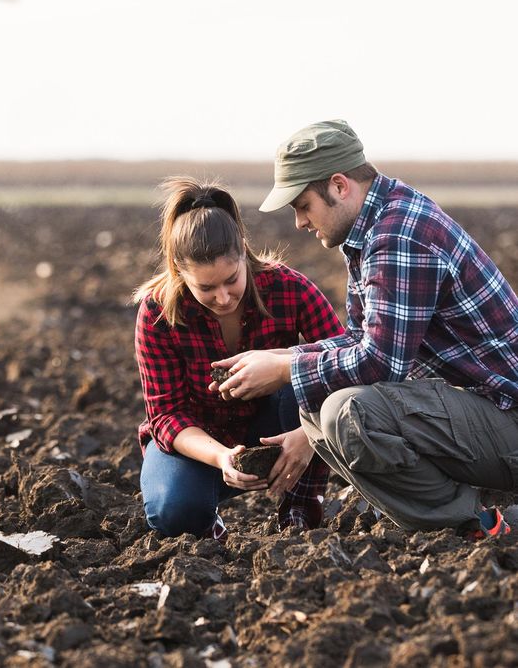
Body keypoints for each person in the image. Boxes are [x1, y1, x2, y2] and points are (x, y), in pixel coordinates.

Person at [213, 119, 518, 538]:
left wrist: (285, 371)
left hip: (508, 416)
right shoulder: (374, 225)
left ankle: (481, 526)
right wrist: (284, 357)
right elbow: (362, 338)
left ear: (339, 186)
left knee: (346, 412)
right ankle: (465, 516)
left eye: (303, 205)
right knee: (320, 403)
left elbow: (380, 364)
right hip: (488, 412)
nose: (300, 222)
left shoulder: (398, 237)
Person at [135, 177, 344, 539]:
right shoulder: (157, 313)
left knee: (306, 373)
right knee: (173, 511)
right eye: (206, 288)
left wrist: (309, 435)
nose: (223, 297)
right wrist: (220, 457)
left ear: (244, 252)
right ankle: (206, 522)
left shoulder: (289, 289)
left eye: (231, 279)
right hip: (200, 440)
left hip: (277, 426)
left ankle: (300, 507)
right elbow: (166, 414)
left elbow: (346, 361)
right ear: (178, 271)